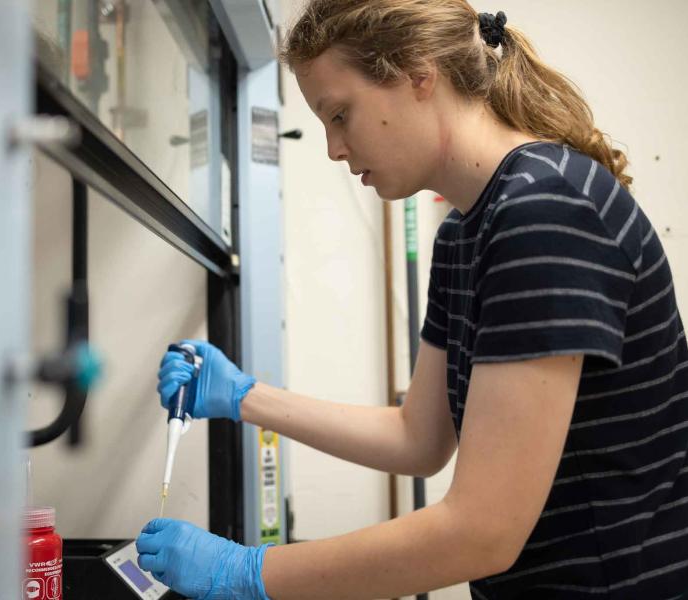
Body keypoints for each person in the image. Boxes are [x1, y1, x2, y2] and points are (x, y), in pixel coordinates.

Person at [136, 1, 688, 598]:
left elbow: (483, 531)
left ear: (419, 74)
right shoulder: (465, 233)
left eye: (340, 114)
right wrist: (244, 396)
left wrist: (248, 573)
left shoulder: (543, 210)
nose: (333, 149)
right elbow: (418, 438)